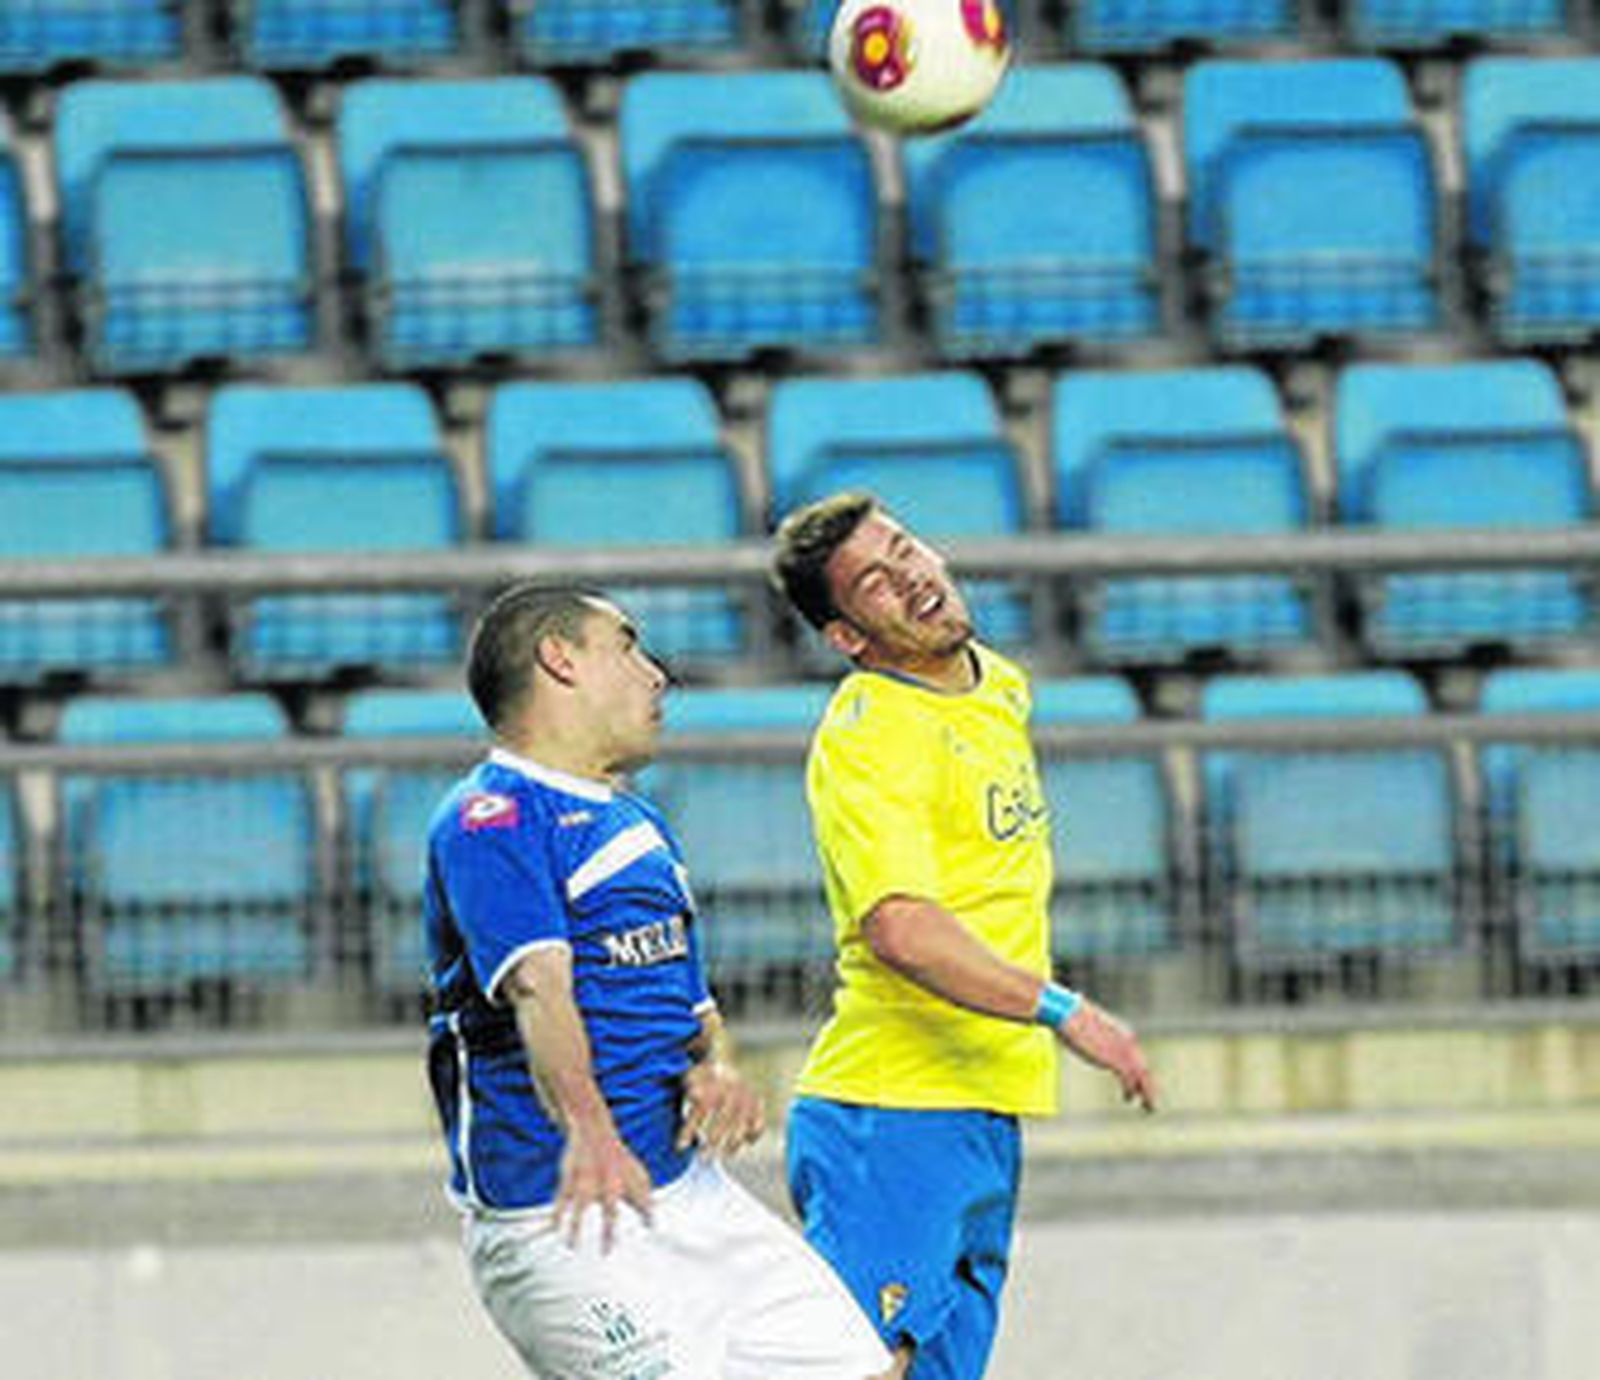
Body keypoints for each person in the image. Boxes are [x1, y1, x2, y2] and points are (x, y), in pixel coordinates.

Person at [422, 581, 893, 1379]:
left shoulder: (637, 821)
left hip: (690, 1193)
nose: (655, 673)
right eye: (629, 646)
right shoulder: (492, 818)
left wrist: (717, 1067)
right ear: (559, 660)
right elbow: (541, 987)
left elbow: (690, 1006)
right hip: (563, 1214)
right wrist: (592, 1133)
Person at [770, 492, 1160, 1379]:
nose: (911, 576)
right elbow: (901, 928)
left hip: (983, 1102)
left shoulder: (997, 684)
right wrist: (1063, 1011)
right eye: (875, 581)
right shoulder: (868, 734)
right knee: (848, 1368)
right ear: (848, 638)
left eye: (906, 548)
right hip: (895, 1106)